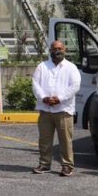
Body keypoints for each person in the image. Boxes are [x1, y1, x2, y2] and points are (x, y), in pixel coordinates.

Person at [31, 40, 81, 176]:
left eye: (60, 48)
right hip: (45, 109)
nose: (57, 51)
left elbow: (75, 86)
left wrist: (59, 98)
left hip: (64, 109)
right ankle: (44, 164)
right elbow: (35, 84)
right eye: (54, 49)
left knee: (65, 140)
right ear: (50, 51)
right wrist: (43, 98)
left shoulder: (71, 67)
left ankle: (67, 165)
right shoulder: (42, 66)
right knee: (44, 140)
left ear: (65, 50)